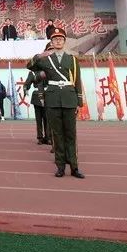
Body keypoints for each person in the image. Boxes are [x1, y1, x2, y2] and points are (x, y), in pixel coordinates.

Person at [28, 25, 84, 178]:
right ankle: (60, 166)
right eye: (55, 39)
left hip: (69, 99)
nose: (58, 41)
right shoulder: (46, 60)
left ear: (64, 41)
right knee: (57, 135)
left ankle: (74, 166)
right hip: (52, 100)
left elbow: (77, 80)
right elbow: (30, 66)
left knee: (71, 134)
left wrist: (79, 102)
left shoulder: (72, 60)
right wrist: (41, 54)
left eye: (60, 39)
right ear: (51, 42)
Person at [22, 60, 52, 148]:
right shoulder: (32, 73)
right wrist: (25, 89)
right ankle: (40, 137)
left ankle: (48, 137)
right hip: (36, 96)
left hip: (47, 95)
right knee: (39, 119)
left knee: (48, 118)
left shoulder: (48, 70)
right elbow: (27, 83)